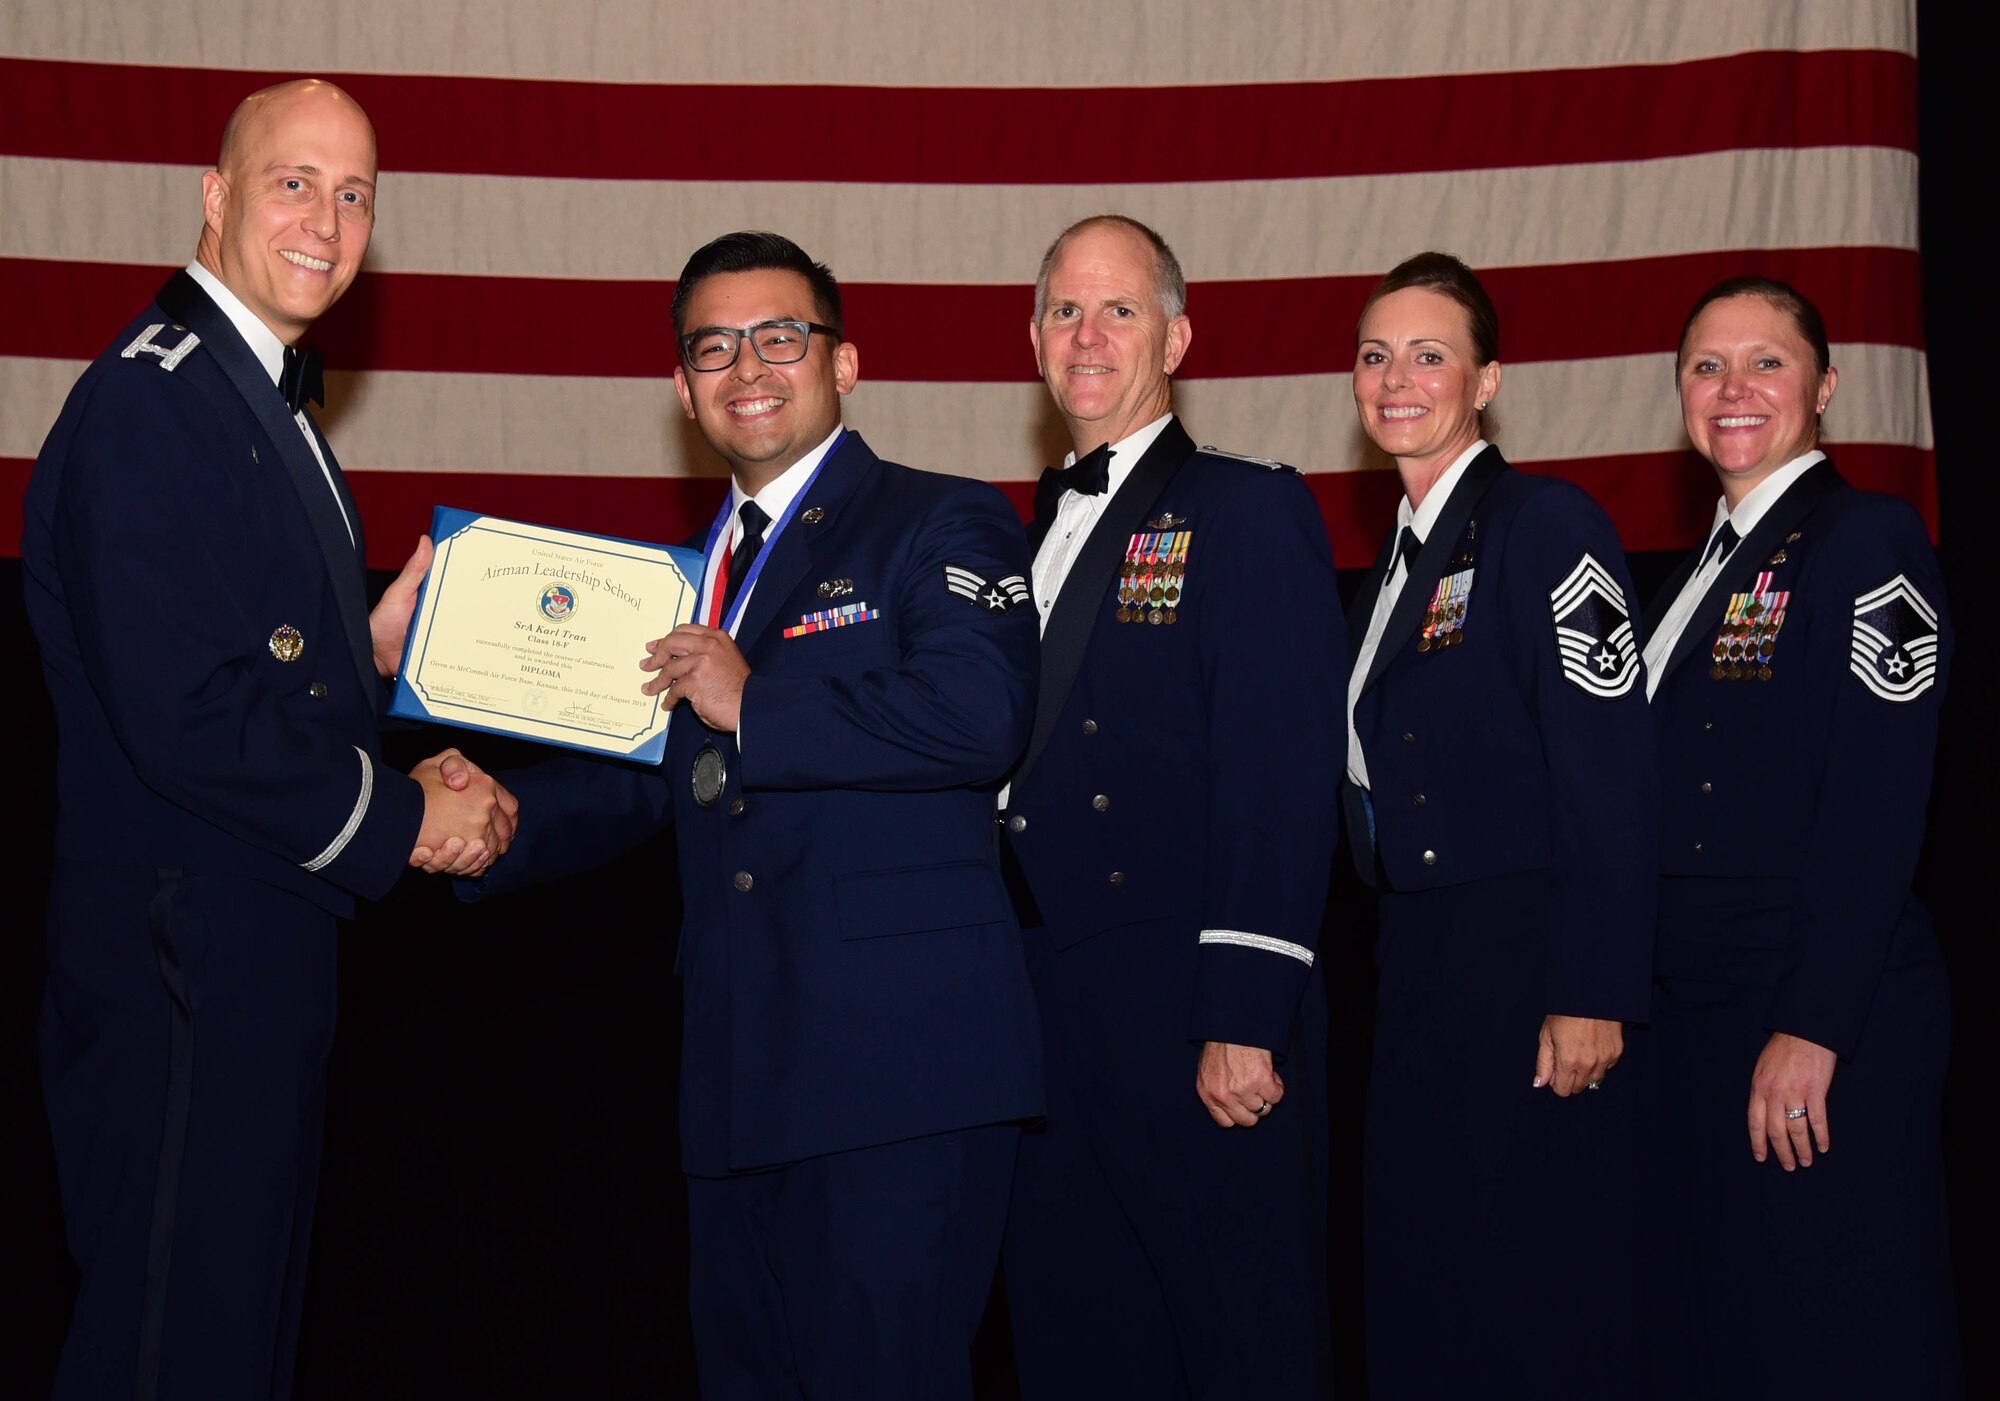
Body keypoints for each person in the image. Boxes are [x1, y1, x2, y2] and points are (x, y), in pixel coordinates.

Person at [463, 231, 1045, 1399]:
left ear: (845, 362)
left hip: (899, 1077)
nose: (749, 368)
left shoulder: (943, 521)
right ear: (681, 390)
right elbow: (658, 770)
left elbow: (979, 714)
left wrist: (756, 699)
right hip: (737, 1076)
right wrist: (494, 817)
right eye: (714, 347)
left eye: (780, 337)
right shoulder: (689, 579)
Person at [19, 79, 516, 1400]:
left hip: (241, 947)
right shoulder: (156, 404)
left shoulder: (250, 396)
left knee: (226, 1343)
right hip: (183, 957)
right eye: (295, 180)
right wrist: (413, 817)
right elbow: (188, 719)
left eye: (355, 194)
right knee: (172, 1350)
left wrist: (360, 651)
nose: (328, 218)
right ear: (216, 194)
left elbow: (222, 652)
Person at [996, 214, 1343, 1399]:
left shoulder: (1246, 511)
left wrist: (1245, 1006)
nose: (1086, 336)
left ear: (1177, 337)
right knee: (1075, 1335)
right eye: (1063, 311)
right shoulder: (1016, 530)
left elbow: (1281, 772)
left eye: (1119, 311)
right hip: (1041, 1009)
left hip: (1187, 1009)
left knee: (1236, 1340)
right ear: (1033, 337)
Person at [1341, 252, 1657, 1395]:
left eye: (1429, 355)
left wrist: (1594, 988)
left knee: (1531, 1285)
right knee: (1435, 1276)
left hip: (1526, 961)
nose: (1396, 378)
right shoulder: (1393, 560)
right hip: (1420, 958)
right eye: (1375, 355)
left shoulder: (1542, 522)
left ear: (1484, 380)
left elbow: (1610, 773)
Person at [1639, 277, 1960, 1396]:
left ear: (1822, 385)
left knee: (1839, 1329)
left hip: (1815, 1008)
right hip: (1700, 1005)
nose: (1732, 390)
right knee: (1736, 1330)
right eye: (1705, 366)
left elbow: (1877, 804)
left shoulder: (1866, 540)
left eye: (1764, 363)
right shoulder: (1690, 575)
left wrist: (1812, 1023)